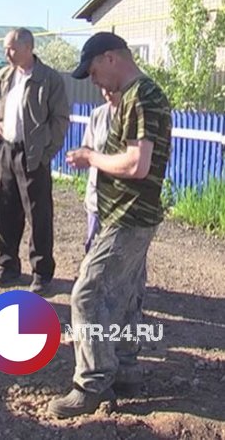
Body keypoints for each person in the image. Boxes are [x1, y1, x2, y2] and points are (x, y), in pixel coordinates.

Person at [48, 32, 171, 418]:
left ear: (111, 58)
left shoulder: (143, 96)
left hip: (129, 217)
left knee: (88, 294)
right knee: (126, 294)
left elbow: (138, 165)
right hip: (128, 215)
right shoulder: (134, 97)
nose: (94, 80)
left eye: (94, 70)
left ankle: (91, 382)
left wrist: (91, 157)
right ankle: (126, 368)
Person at [0, 27, 69, 295]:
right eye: (6, 48)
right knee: (6, 211)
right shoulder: (6, 75)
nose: (7, 53)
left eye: (12, 48)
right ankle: (8, 267)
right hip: (8, 152)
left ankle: (42, 274)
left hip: (34, 156)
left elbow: (60, 120)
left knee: (39, 215)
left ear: (28, 48)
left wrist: (45, 153)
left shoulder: (48, 79)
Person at [81, 88, 122, 252]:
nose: (107, 93)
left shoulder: (132, 116)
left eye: (111, 89)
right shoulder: (97, 115)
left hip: (121, 198)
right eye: (103, 89)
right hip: (97, 196)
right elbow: (87, 149)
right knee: (93, 244)